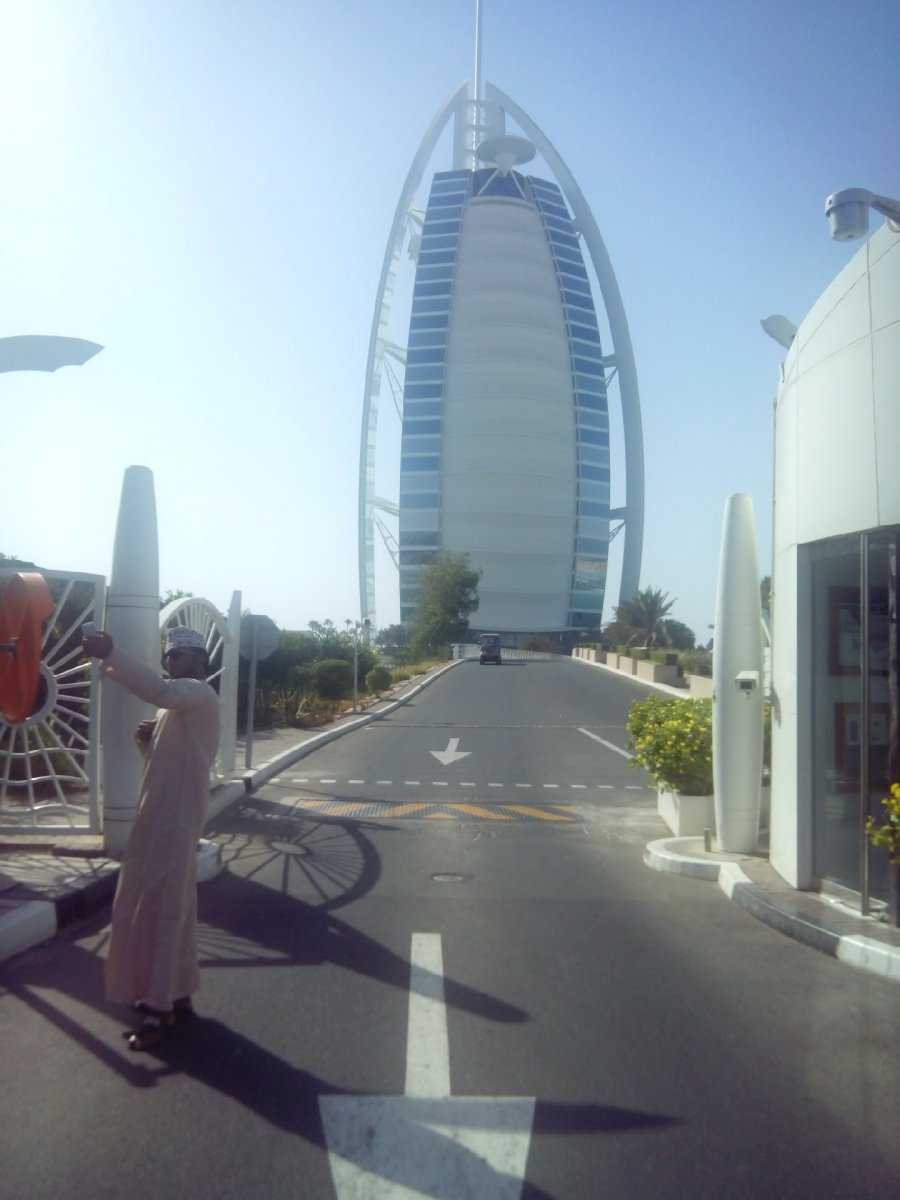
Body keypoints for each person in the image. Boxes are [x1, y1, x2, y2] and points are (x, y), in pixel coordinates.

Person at [83, 625, 220, 1051]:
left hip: (175, 822)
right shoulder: (173, 709)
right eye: (173, 656)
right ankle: (177, 996)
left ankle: (159, 1012)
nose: (176, 661)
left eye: (184, 655)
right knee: (166, 909)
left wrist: (113, 652)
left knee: (162, 911)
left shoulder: (198, 694)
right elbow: (167, 765)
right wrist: (147, 745)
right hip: (157, 819)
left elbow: (162, 691)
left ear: (201, 661)